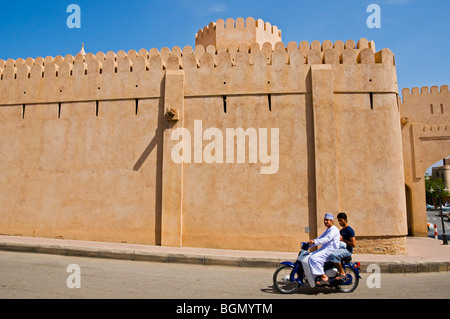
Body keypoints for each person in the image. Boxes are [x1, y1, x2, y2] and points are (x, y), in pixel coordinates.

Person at [307, 213, 340, 285]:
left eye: (327, 220)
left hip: (331, 250)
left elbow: (326, 239)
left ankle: (323, 276)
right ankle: (315, 276)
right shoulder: (328, 229)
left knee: (314, 258)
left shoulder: (334, 229)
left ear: (332, 221)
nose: (325, 221)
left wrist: (314, 242)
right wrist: (308, 244)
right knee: (308, 256)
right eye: (325, 220)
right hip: (325, 249)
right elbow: (320, 238)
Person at [329, 212, 356, 280]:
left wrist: (343, 240)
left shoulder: (349, 230)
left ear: (346, 220)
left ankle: (341, 273)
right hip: (341, 249)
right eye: (338, 220)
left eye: (341, 220)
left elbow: (354, 244)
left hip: (347, 251)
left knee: (334, 255)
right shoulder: (341, 231)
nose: (339, 222)